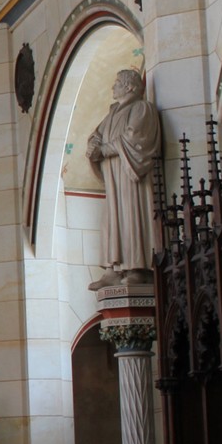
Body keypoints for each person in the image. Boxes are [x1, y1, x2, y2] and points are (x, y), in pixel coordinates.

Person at [85, 68, 161, 290]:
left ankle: (137, 266)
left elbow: (135, 140)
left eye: (117, 82)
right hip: (113, 176)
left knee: (131, 215)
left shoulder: (141, 108)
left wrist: (104, 150)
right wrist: (93, 145)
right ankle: (112, 268)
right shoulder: (112, 114)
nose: (113, 87)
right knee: (112, 218)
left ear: (129, 86)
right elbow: (96, 134)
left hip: (131, 176)